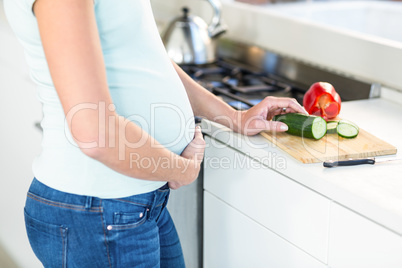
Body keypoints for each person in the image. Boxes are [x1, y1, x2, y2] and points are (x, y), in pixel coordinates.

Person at [3, 0, 307, 267]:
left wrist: (234, 117)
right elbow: (96, 133)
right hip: (99, 210)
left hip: (133, 204)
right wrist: (180, 169)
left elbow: (144, 57)